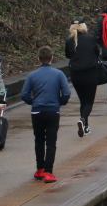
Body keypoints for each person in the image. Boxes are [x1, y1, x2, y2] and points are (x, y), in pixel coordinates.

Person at [21, 47, 71, 184]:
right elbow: (66, 93)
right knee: (51, 142)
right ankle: (49, 172)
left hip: (37, 111)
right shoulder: (59, 74)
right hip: (52, 111)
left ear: (38, 59)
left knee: (39, 140)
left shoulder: (32, 75)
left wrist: (34, 102)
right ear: (52, 58)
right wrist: (59, 103)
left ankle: (40, 169)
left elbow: (24, 95)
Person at [64, 17, 100, 137]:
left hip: (76, 75)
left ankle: (86, 127)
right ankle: (83, 120)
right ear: (84, 27)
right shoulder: (91, 39)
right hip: (90, 73)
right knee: (89, 102)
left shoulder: (69, 41)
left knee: (82, 101)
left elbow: (68, 55)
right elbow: (97, 52)